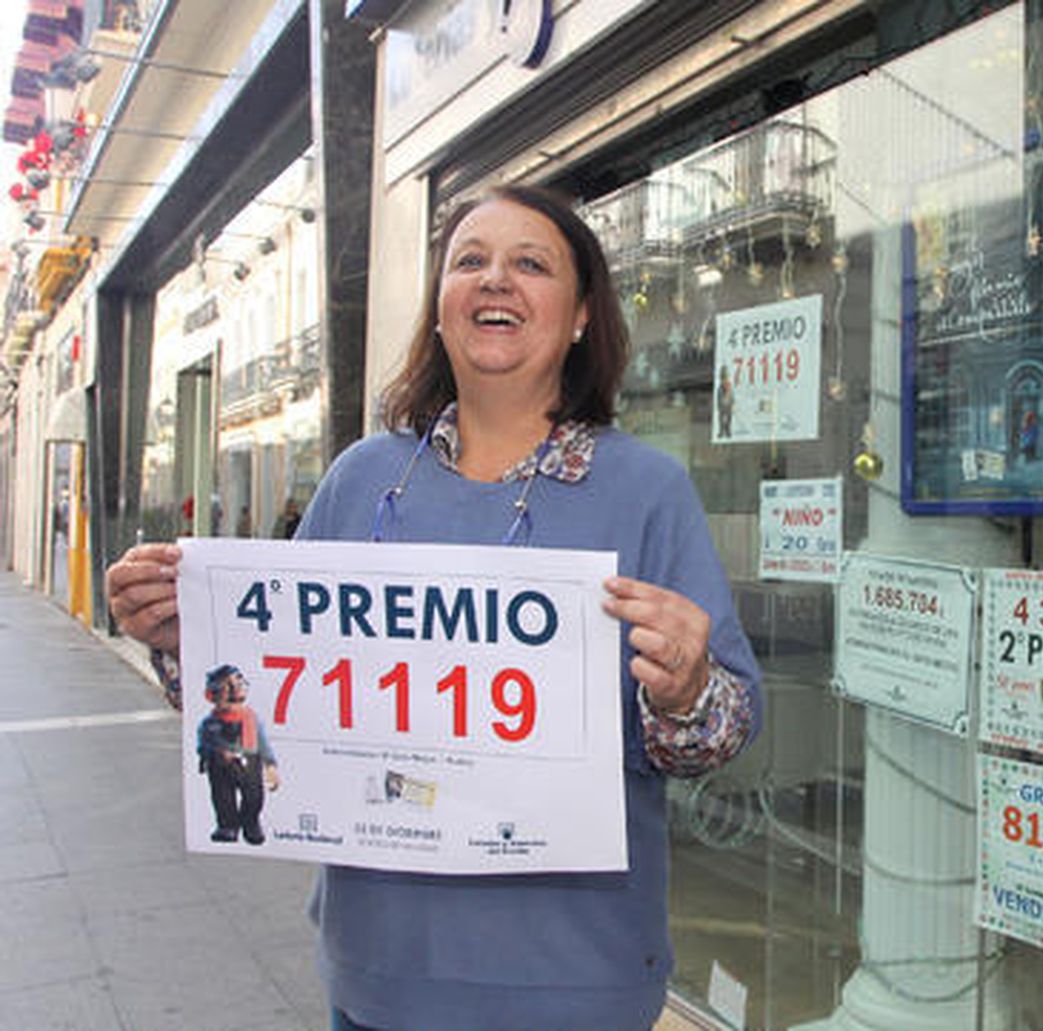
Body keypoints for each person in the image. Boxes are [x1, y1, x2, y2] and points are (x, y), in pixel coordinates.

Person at [105, 183, 764, 1031]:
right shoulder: (361, 479)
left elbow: (723, 727)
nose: (495, 279)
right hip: (379, 976)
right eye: (469, 261)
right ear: (442, 307)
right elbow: (277, 700)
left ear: (580, 316)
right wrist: (185, 641)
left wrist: (686, 689)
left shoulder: (646, 491)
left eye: (531, 264)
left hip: (575, 983)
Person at [197, 663, 280, 845]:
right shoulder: (210, 723)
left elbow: (262, 742)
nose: (235, 688)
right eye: (228, 686)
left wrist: (270, 765)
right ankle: (227, 826)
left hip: (249, 761)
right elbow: (204, 742)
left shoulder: (251, 718)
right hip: (220, 764)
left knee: (254, 796)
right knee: (223, 797)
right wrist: (211, 753)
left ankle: (250, 823)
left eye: (238, 683)